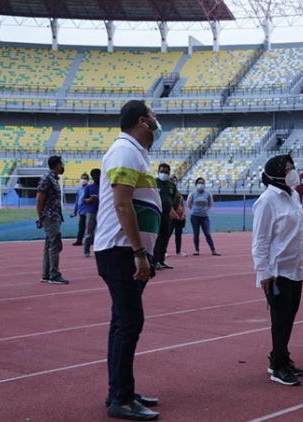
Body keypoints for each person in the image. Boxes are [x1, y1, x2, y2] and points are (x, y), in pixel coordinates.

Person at [94, 100, 162, 421]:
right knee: (129, 322)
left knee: (122, 322)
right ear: (142, 122)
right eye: (152, 116)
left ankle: (121, 390)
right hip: (121, 251)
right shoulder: (125, 150)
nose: (156, 122)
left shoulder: (134, 152)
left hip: (125, 251)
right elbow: (123, 206)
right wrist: (139, 254)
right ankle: (120, 398)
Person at [252, 155, 303, 386]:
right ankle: (278, 367)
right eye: (288, 168)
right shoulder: (267, 201)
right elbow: (260, 241)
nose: (293, 172)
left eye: (293, 168)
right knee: (280, 319)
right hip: (277, 271)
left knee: (290, 316)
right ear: (276, 173)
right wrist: (263, 273)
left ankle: (280, 355)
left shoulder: (294, 195)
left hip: (295, 268)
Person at [36, 155, 69, 285]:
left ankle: (46, 274)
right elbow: (39, 198)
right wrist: (40, 216)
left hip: (54, 216)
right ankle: (54, 274)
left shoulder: (53, 179)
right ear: (56, 165)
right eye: (61, 164)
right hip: (49, 216)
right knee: (55, 244)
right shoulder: (47, 179)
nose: (63, 166)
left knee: (49, 244)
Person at [152, 163, 178, 270]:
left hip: (167, 215)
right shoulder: (153, 182)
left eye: (166, 172)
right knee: (156, 238)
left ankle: (161, 260)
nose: (164, 174)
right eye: (162, 171)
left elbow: (174, 198)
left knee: (165, 237)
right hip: (156, 214)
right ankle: (153, 261)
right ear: (158, 172)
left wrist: (173, 209)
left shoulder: (171, 185)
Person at [187, 177, 221, 256]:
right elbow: (189, 204)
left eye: (202, 183)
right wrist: (195, 209)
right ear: (196, 184)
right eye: (199, 183)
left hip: (204, 217)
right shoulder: (192, 194)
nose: (200, 184)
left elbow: (210, 203)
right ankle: (196, 250)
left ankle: (213, 250)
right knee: (196, 234)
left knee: (207, 233)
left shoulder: (208, 194)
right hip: (195, 216)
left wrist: (205, 210)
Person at [82, 168, 101, 258]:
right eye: (95, 176)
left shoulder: (104, 187)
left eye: (98, 175)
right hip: (91, 212)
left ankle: (101, 250)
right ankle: (86, 251)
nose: (97, 177)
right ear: (92, 177)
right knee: (89, 232)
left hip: (102, 211)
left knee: (102, 232)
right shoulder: (89, 187)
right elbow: (84, 200)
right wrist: (91, 199)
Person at [169, 176, 187, 257]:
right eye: (172, 180)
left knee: (178, 235)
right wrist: (175, 214)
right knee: (167, 234)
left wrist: (183, 214)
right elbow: (169, 205)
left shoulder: (178, 193)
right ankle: (164, 251)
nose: (174, 182)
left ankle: (178, 251)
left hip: (179, 218)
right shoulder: (168, 193)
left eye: (175, 180)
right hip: (171, 217)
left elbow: (182, 205)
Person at [72, 173, 89, 246]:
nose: (83, 180)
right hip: (81, 211)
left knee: (89, 227)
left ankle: (90, 240)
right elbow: (77, 201)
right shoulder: (79, 189)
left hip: (88, 211)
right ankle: (79, 240)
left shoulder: (89, 188)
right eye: (82, 178)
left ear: (88, 180)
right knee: (81, 226)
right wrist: (75, 211)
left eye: (84, 178)